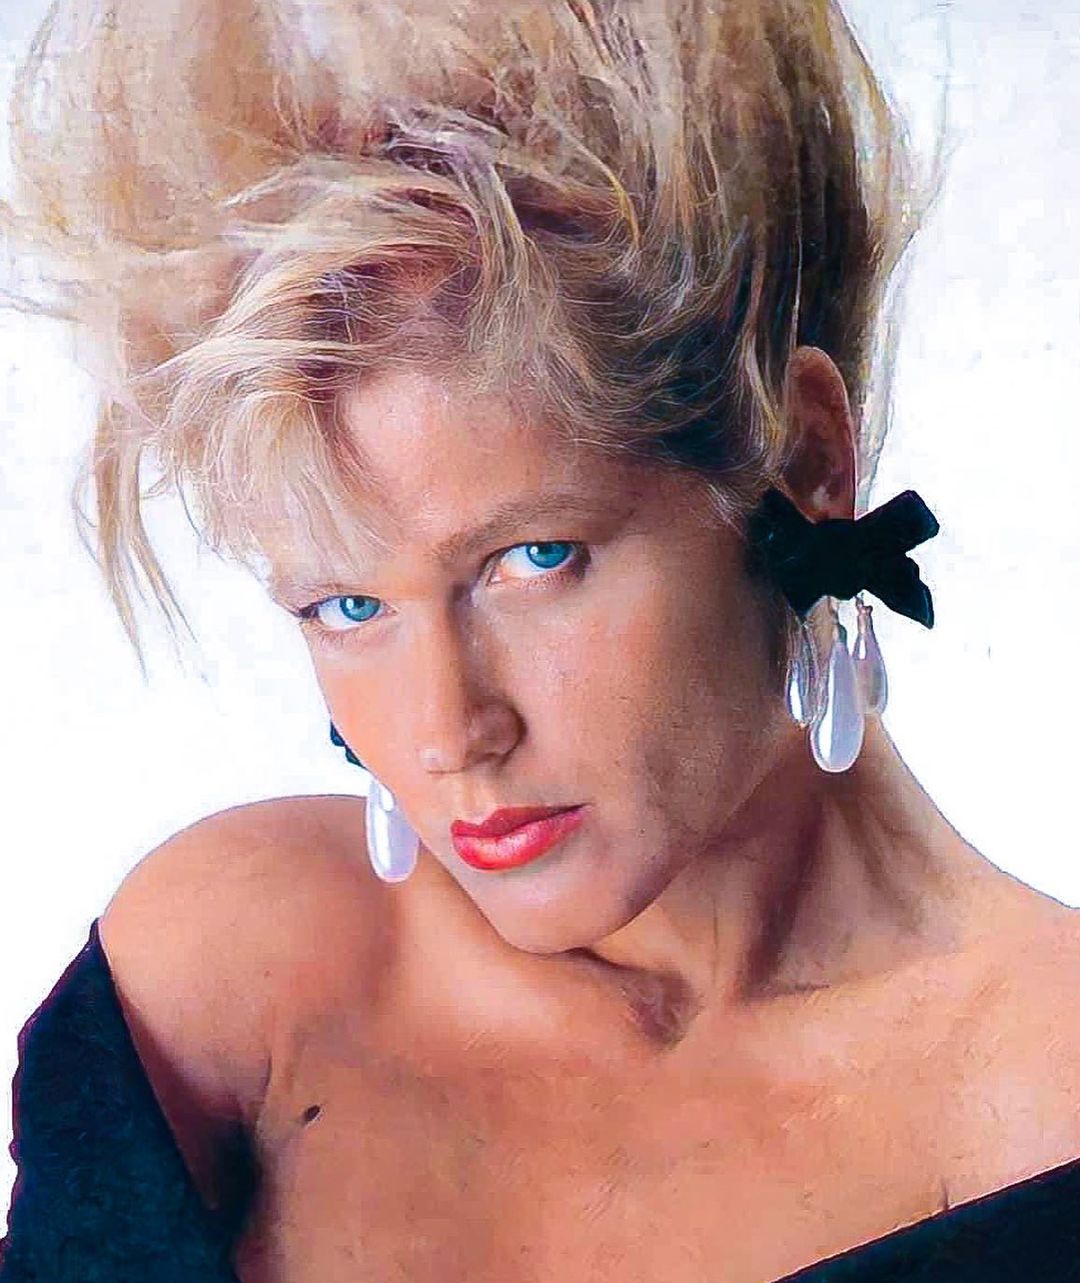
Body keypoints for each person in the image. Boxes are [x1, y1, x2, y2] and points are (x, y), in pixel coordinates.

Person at [1, 0, 1079, 1280]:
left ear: (802, 463)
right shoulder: (224, 986)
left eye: (532, 559)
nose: (449, 732)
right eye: (348, 605)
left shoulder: (1046, 1099)